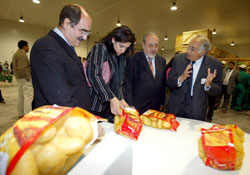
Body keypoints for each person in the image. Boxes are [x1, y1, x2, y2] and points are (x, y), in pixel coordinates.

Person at [30, 4, 92, 110]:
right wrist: (84, 121)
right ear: (67, 23)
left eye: (87, 33)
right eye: (82, 31)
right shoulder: (46, 46)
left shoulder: (66, 47)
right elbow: (60, 98)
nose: (85, 37)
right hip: (61, 121)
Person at [166, 35, 223, 121]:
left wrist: (209, 85)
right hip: (175, 107)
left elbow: (218, 90)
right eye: (188, 47)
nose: (188, 51)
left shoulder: (214, 65)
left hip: (197, 110)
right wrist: (180, 79)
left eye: (193, 49)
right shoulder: (178, 59)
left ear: (203, 52)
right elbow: (169, 82)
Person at [86, 26, 135, 122]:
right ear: (113, 40)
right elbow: (94, 75)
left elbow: (117, 82)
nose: (123, 51)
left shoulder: (119, 57)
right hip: (92, 104)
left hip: (106, 109)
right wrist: (112, 98)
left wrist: (121, 99)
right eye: (121, 46)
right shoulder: (100, 48)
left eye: (126, 48)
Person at [124, 32, 166, 115]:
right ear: (143, 45)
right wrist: (130, 105)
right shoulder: (133, 60)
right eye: (150, 45)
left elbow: (163, 83)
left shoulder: (162, 61)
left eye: (156, 45)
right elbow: (128, 84)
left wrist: (162, 103)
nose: (154, 48)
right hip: (138, 106)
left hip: (155, 107)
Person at [12, 40, 33, 117]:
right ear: (24, 47)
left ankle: (21, 114)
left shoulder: (16, 54)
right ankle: (28, 115)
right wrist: (28, 77)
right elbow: (22, 68)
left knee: (21, 96)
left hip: (19, 78)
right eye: (28, 46)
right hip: (24, 78)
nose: (29, 48)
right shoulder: (22, 55)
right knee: (28, 96)